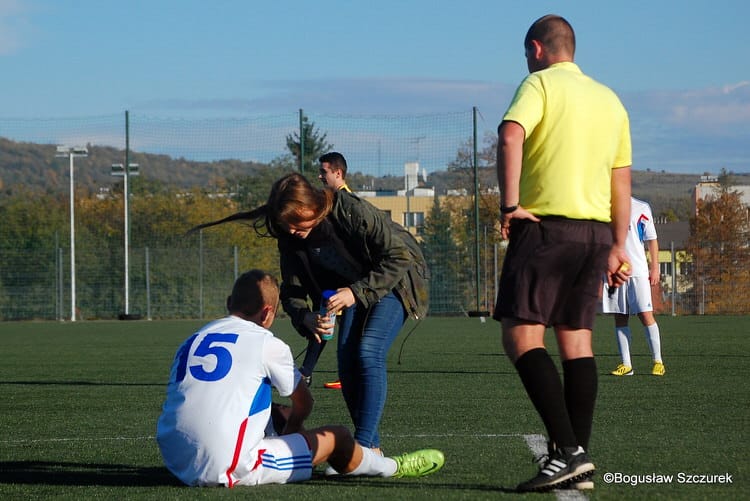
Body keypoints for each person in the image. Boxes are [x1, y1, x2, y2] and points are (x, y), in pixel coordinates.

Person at [188, 173, 429, 458]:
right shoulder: (289, 236)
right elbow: (291, 291)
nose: (290, 230)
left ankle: (362, 447)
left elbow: (398, 257)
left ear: (313, 206)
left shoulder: (349, 209)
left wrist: (355, 292)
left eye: (296, 221)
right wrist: (306, 317)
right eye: (285, 224)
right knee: (346, 361)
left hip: (396, 278)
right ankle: (371, 449)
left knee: (368, 352)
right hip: (353, 287)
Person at [493, 15, 632, 492]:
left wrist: (510, 205)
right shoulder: (610, 99)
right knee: (577, 343)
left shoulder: (540, 85)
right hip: (595, 235)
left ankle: (569, 451)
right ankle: (574, 459)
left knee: (522, 339)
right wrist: (617, 244)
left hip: (546, 229)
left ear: (537, 49)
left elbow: (511, 134)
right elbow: (621, 180)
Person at [156, 269, 443, 487]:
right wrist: (294, 429)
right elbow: (304, 403)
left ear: (229, 302)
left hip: (174, 457)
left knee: (274, 411)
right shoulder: (266, 342)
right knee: (337, 436)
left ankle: (269, 439)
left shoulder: (192, 340)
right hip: (225, 465)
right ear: (268, 313)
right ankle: (389, 466)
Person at [298, 151, 353, 390]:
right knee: (325, 324)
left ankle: (345, 374)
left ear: (338, 173)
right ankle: (307, 372)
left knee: (339, 326)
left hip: (346, 280)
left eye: (324, 171)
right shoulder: (331, 199)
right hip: (332, 277)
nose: (319, 176)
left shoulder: (346, 201)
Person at [603, 197, 666, 376]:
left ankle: (658, 361)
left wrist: (655, 268)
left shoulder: (640, 207)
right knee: (620, 316)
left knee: (645, 315)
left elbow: (652, 239)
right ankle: (626, 364)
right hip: (613, 272)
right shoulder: (602, 206)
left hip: (637, 271)